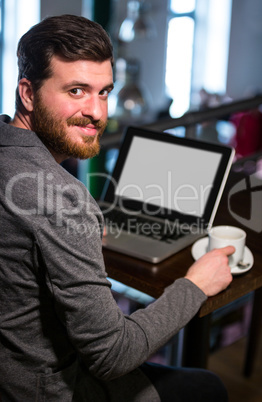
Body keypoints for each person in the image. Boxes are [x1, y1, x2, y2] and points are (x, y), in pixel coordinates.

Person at [0, 15, 234, 401]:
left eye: (104, 91)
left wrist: (80, 233)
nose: (96, 112)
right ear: (28, 93)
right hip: (43, 388)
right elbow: (113, 354)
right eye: (76, 91)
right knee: (207, 387)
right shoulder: (59, 199)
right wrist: (196, 285)